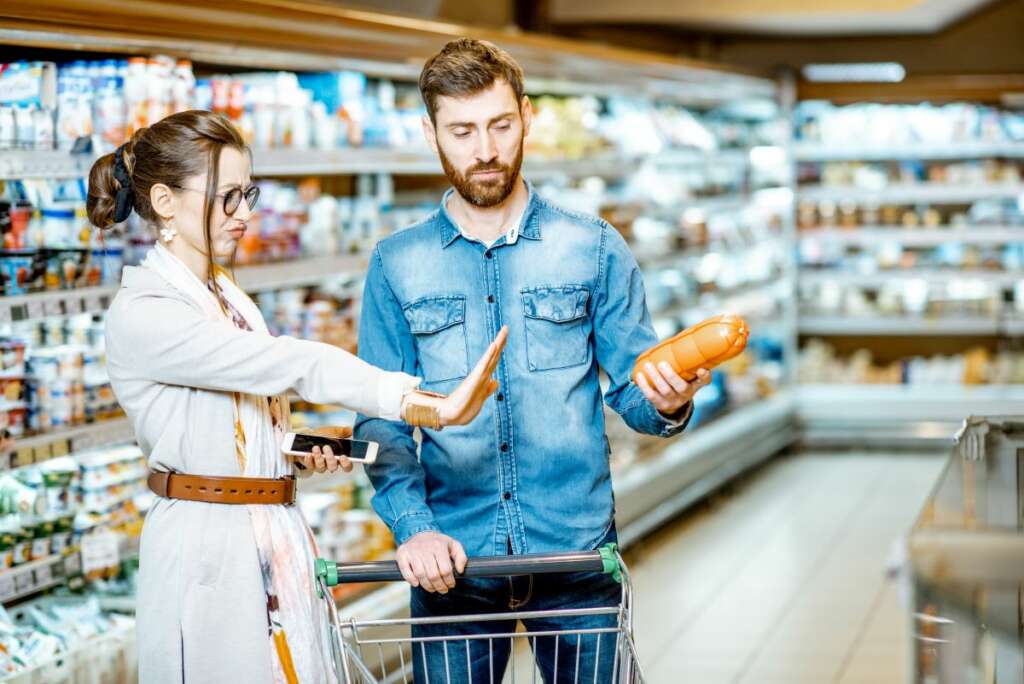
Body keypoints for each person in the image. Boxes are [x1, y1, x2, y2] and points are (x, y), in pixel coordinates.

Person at [89, 110, 507, 684]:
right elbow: (291, 363)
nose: (243, 215)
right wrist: (424, 404)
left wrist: (293, 450)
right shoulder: (145, 312)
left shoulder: (226, 295)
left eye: (247, 194)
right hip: (210, 550)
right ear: (163, 201)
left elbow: (230, 426)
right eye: (224, 197)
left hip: (261, 528)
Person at [354, 39, 712, 683]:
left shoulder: (593, 246)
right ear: (429, 131)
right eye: (461, 131)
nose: (484, 149)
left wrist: (668, 399)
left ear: (527, 116)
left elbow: (635, 388)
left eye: (500, 125)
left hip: (574, 555)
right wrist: (413, 527)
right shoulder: (395, 265)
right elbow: (381, 422)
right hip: (453, 561)